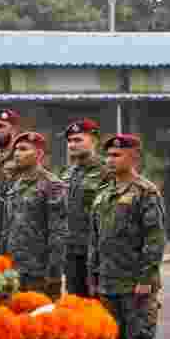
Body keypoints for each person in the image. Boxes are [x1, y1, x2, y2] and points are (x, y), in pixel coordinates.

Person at [88, 134, 165, 339]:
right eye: (108, 156)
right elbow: (95, 238)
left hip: (134, 284)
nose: (109, 160)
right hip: (107, 283)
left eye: (116, 155)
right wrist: (93, 276)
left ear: (133, 158)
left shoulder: (146, 191)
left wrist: (146, 279)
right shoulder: (103, 193)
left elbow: (154, 238)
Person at [0, 131, 68, 298]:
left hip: (39, 272)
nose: (16, 154)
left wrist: (54, 274)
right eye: (15, 150)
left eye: (23, 149)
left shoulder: (52, 185)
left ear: (39, 154)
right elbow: (7, 228)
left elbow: (58, 233)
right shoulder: (15, 185)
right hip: (14, 269)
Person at [61, 119, 107, 298]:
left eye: (78, 140)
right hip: (72, 253)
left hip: (97, 254)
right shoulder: (67, 173)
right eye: (70, 140)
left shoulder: (107, 171)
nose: (72, 144)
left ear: (94, 140)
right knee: (76, 307)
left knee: (100, 305)